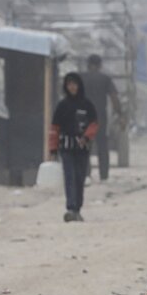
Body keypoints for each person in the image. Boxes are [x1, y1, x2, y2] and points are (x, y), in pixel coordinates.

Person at [49, 72, 98, 222]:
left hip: (82, 148)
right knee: (69, 176)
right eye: (69, 84)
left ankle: (77, 209)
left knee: (79, 177)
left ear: (79, 85)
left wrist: (86, 137)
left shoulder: (87, 105)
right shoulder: (62, 106)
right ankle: (70, 208)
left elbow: (94, 124)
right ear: (66, 86)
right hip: (66, 147)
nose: (72, 87)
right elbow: (55, 128)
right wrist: (53, 148)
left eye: (74, 84)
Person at [80, 54, 122, 182]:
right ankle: (104, 176)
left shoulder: (80, 78)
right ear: (100, 65)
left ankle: (86, 175)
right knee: (102, 146)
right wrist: (119, 113)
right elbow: (114, 98)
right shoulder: (105, 79)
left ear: (88, 65)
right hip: (100, 117)